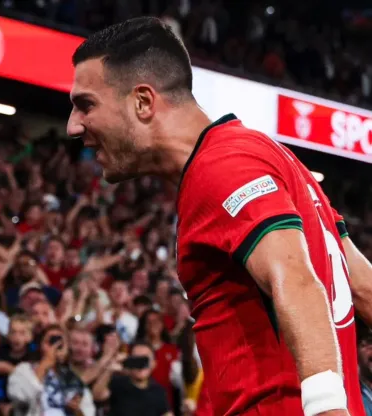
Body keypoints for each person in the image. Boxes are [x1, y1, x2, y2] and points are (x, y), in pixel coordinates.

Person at [67, 16, 372, 416]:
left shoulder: (221, 168)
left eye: (85, 105)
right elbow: (363, 289)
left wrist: (327, 408)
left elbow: (294, 277)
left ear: (143, 102)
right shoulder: (269, 155)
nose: (74, 126)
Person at [7, 324, 96, 416]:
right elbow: (20, 396)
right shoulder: (25, 369)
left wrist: (76, 410)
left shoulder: (73, 379)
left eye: (61, 341)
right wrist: (45, 363)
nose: (56, 345)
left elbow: (88, 412)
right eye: (50, 341)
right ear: (40, 345)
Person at [108, 342, 172, 416]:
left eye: (145, 360)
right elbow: (98, 394)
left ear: (154, 364)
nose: (141, 365)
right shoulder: (117, 384)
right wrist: (109, 368)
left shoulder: (158, 391)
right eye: (137, 359)